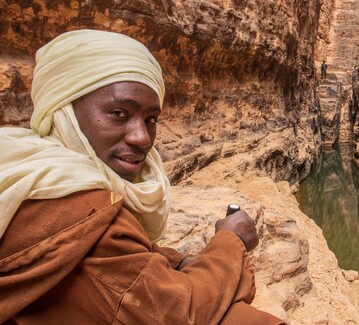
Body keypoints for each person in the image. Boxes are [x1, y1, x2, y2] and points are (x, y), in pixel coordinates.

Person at [0, 29, 286, 325]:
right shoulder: (82, 207)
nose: (141, 138)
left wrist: (173, 263)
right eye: (118, 113)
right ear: (64, 111)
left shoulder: (26, 168)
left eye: (151, 119)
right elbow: (179, 312)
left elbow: (116, 265)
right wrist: (231, 241)